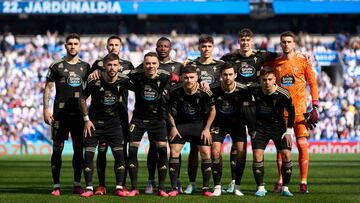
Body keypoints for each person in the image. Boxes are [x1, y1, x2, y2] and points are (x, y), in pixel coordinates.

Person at [220, 28, 278, 192]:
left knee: (257, 145)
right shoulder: (230, 58)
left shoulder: (261, 55)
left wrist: (302, 54)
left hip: (255, 108)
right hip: (236, 108)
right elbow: (214, 65)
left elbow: (282, 56)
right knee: (236, 146)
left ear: (252, 41)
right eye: (242, 40)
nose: (245, 43)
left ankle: (260, 184)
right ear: (239, 41)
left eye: (248, 40)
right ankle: (233, 182)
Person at [271, 31, 319, 194]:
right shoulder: (275, 62)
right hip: (281, 113)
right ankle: (280, 180)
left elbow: (312, 83)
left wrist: (315, 105)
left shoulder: (303, 61)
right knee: (281, 148)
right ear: (280, 43)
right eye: (283, 41)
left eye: (289, 41)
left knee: (302, 144)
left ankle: (303, 182)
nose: (286, 44)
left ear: (294, 43)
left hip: (300, 112)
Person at [79, 53, 133, 197]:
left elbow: (142, 87)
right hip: (94, 123)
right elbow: (82, 98)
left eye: (115, 65)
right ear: (104, 65)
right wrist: (86, 120)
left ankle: (119, 187)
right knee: (89, 155)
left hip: (114, 123)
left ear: (119, 66)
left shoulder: (124, 80)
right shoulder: (94, 79)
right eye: (109, 65)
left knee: (119, 155)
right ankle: (89, 188)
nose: (112, 68)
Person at [43, 33, 90, 196]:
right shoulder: (56, 66)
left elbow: (90, 90)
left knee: (79, 149)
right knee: (58, 148)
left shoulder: (86, 66)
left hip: (78, 114)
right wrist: (45, 109)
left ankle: (77, 183)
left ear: (79, 46)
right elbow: (48, 87)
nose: (72, 46)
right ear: (65, 46)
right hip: (60, 114)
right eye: (70, 43)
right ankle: (56, 185)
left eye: (76, 43)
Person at [137, 37, 184, 194]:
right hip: (154, 114)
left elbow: (188, 81)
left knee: (175, 148)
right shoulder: (148, 64)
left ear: (170, 48)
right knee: (154, 148)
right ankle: (151, 181)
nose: (163, 48)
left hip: (174, 112)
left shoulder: (178, 66)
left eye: (166, 46)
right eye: (160, 46)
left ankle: (176, 181)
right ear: (156, 48)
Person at [167, 65, 216, 197]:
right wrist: (173, 127)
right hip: (181, 126)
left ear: (197, 78)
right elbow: (169, 111)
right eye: (186, 77)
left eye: (192, 77)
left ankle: (205, 188)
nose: (189, 80)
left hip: (199, 126)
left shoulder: (205, 91)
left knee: (206, 152)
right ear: (182, 78)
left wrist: (207, 129)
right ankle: (174, 188)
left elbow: (213, 110)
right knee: (174, 151)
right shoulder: (175, 91)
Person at [126, 52, 171, 197]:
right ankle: (134, 188)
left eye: (153, 63)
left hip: (158, 120)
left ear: (158, 64)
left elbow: (182, 79)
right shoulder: (136, 75)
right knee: (132, 151)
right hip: (138, 119)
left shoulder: (165, 76)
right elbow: (117, 73)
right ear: (143, 64)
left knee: (163, 152)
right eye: (147, 63)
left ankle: (162, 188)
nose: (150, 66)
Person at [184, 35, 223, 194]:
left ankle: (217, 184)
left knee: (214, 150)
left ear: (213, 47)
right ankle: (192, 183)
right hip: (197, 115)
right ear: (199, 48)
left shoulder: (220, 65)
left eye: (209, 46)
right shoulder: (191, 65)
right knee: (194, 149)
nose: (206, 49)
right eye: (203, 46)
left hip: (215, 112)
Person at [209, 62, 254, 196]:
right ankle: (217, 186)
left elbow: (250, 110)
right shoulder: (213, 88)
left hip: (237, 124)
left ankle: (237, 186)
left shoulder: (244, 89)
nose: (227, 77)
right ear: (220, 75)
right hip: (218, 124)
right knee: (215, 152)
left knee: (241, 152)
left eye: (230, 74)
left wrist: (252, 128)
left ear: (235, 75)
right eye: (225, 75)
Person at [250, 67, 295, 197]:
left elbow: (291, 111)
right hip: (260, 128)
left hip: (279, 128)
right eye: (264, 80)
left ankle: (285, 188)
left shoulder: (283, 94)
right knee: (257, 155)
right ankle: (260, 187)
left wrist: (289, 131)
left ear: (275, 79)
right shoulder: (255, 90)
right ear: (260, 80)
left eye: (270, 79)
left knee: (286, 154)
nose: (267, 82)